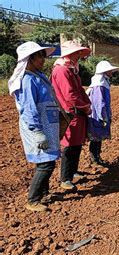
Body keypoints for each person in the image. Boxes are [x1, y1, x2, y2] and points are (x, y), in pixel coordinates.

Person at [8, 42, 60, 211]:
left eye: (44, 56)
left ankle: (44, 193)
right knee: (46, 164)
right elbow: (28, 108)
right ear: (29, 59)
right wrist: (37, 132)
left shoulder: (37, 75)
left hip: (47, 125)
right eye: (40, 56)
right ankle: (33, 199)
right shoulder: (27, 80)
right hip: (38, 127)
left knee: (46, 160)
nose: (43, 60)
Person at [51, 41, 91, 191]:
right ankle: (65, 178)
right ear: (69, 54)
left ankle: (73, 172)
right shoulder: (62, 70)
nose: (79, 55)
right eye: (76, 53)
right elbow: (70, 95)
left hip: (76, 112)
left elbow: (79, 90)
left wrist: (86, 104)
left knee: (76, 144)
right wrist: (85, 107)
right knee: (69, 146)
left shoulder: (70, 69)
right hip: (69, 113)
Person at [87, 60, 119, 167]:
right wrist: (104, 117)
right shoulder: (99, 84)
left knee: (98, 137)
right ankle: (94, 159)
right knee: (96, 137)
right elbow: (98, 102)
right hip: (97, 115)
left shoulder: (102, 82)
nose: (111, 72)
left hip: (99, 114)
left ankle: (97, 157)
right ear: (104, 71)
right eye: (109, 70)